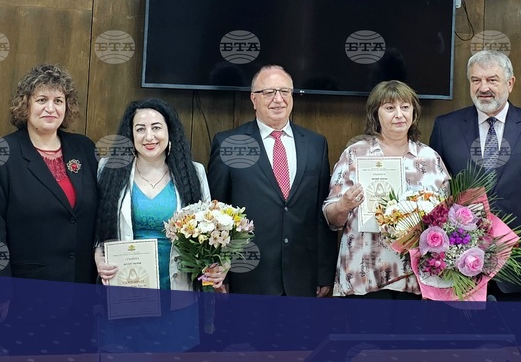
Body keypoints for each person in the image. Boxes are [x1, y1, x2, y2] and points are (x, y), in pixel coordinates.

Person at [429, 51, 521, 302]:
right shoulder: (446, 127)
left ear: (510, 83)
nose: (483, 88)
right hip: (458, 269)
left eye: (492, 80)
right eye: (476, 80)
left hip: (520, 269)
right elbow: (434, 198)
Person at [0, 64, 99, 318]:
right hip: (25, 293)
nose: (51, 108)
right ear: (26, 104)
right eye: (42, 100)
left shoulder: (84, 149)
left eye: (58, 100)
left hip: (82, 290)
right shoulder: (1, 154)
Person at [208, 65, 336, 297]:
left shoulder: (316, 144)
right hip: (247, 275)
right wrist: (220, 272)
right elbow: (216, 212)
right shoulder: (229, 143)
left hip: (302, 277)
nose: (278, 99)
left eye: (284, 91)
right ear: (253, 99)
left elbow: (321, 214)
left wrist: (324, 272)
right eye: (269, 92)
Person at [324, 80, 451, 299]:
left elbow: (446, 220)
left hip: (414, 279)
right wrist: (344, 205)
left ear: (414, 112)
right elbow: (331, 218)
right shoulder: (354, 155)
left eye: (405, 107)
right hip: (363, 276)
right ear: (376, 114)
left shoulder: (430, 159)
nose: (399, 114)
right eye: (390, 108)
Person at [95, 98, 215, 291]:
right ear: (131, 134)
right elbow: (97, 227)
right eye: (140, 129)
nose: (149, 137)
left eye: (156, 128)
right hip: (128, 285)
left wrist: (219, 265)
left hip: (180, 284)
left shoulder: (195, 173)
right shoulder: (108, 170)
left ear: (169, 131)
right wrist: (99, 257)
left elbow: (209, 232)